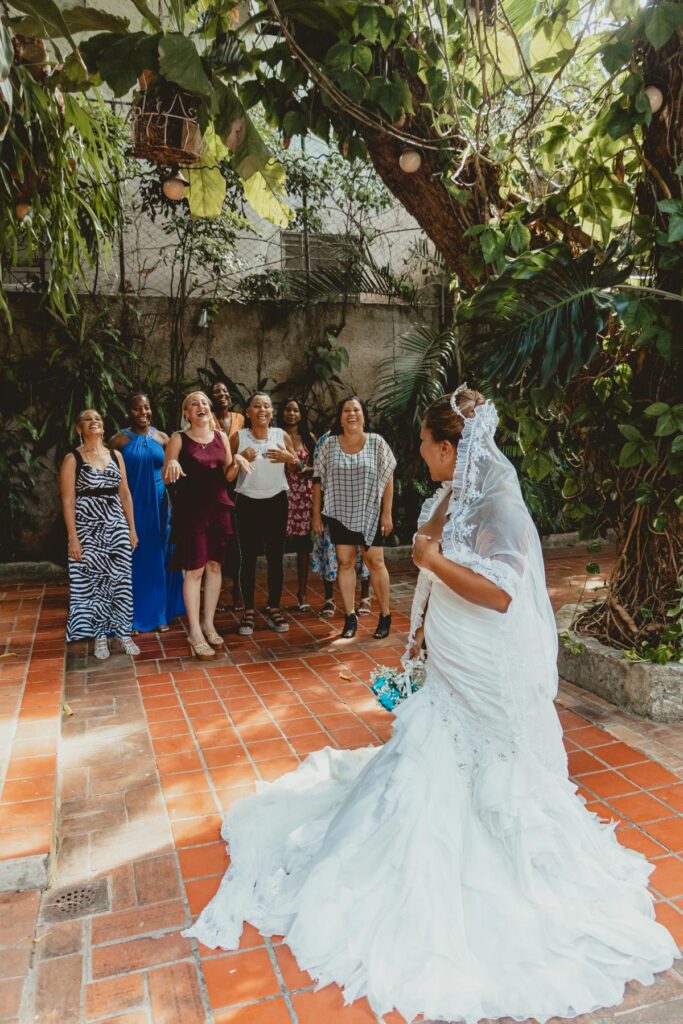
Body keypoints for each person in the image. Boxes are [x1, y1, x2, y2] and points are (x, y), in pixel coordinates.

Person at [185, 385, 677, 1022]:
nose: (418, 451)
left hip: (484, 659)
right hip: (450, 655)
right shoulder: (455, 493)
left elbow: (501, 593)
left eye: (425, 442)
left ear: (450, 448)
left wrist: (432, 563)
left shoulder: (500, 505)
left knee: (483, 758)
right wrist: (419, 626)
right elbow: (431, 547)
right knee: (431, 748)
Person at [163, 391, 250, 660]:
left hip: (219, 509)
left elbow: (228, 476)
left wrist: (237, 461)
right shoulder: (178, 439)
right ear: (187, 413)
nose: (200, 406)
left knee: (214, 567)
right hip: (192, 512)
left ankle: (208, 624)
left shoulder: (221, 437)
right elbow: (167, 476)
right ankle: (194, 633)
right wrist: (172, 462)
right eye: (194, 403)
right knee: (195, 570)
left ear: (209, 409)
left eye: (204, 402)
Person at [312, 396, 395, 639]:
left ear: (363, 416)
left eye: (356, 409)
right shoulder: (329, 445)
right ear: (340, 418)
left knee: (376, 562)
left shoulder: (377, 442)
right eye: (346, 410)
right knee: (345, 562)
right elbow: (317, 480)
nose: (351, 414)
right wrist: (316, 514)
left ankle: (385, 615)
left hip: (370, 512)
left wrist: (387, 513)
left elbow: (388, 476)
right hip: (339, 512)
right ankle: (350, 617)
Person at [60, 408, 140, 660]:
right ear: (79, 428)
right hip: (88, 530)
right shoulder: (72, 458)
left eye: (97, 418)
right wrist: (73, 537)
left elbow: (125, 493)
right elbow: (68, 500)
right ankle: (100, 636)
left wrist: (132, 528)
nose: (93, 421)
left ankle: (124, 633)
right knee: (95, 584)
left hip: (116, 527)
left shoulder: (116, 455)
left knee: (122, 582)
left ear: (103, 427)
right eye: (87, 419)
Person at [109, 392, 185, 634]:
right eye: (137, 408)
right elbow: (110, 479)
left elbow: (175, 475)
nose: (143, 413)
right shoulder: (118, 441)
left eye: (147, 407)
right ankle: (133, 617)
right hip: (133, 507)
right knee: (135, 559)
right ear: (128, 412)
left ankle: (160, 614)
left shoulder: (163, 438)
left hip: (161, 507)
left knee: (160, 558)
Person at [231, 392, 299, 636]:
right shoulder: (238, 437)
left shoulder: (281, 435)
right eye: (257, 406)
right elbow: (227, 472)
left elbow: (296, 468)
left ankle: (274, 607)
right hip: (247, 502)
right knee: (248, 558)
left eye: (267, 406)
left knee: (275, 557)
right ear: (248, 412)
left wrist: (291, 458)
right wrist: (239, 458)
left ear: (272, 412)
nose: (262, 410)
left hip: (276, 501)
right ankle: (248, 610)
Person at [310, 430, 371, 618]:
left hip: (361, 508)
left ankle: (365, 596)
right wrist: (316, 514)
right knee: (329, 552)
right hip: (332, 509)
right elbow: (317, 478)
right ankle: (329, 598)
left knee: (364, 553)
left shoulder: (368, 439)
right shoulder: (325, 441)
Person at [277, 397, 316, 611]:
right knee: (277, 546)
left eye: (296, 410)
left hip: (303, 497)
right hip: (280, 494)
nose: (291, 414)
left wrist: (304, 469)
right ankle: (275, 594)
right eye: (287, 409)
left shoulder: (309, 438)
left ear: (301, 415)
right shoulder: (274, 435)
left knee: (303, 546)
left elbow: (318, 468)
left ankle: (302, 593)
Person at [212, 381, 245, 610]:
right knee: (218, 537)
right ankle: (218, 590)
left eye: (224, 391)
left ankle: (237, 588)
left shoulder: (240, 418)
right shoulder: (206, 418)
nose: (221, 394)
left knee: (238, 537)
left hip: (238, 483)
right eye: (216, 392)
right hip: (215, 483)